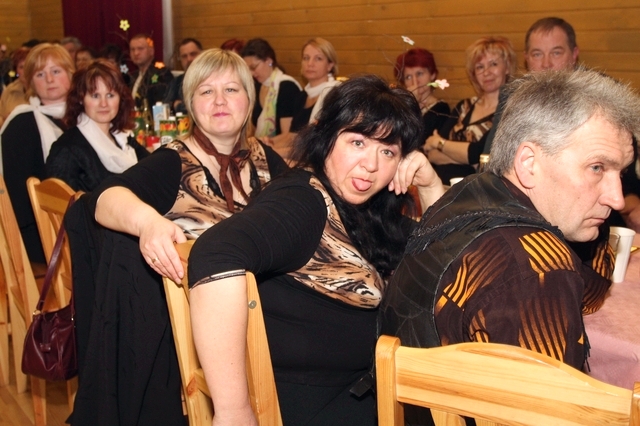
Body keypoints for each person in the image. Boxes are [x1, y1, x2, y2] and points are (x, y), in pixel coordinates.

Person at [381, 68, 640, 425]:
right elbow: (552, 418)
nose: (617, 198)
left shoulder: (470, 191)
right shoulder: (535, 269)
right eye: (597, 167)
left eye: (620, 174)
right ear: (529, 163)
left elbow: (590, 292)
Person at [188, 75, 446, 426]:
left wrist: (429, 184)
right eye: (357, 142)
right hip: (313, 407)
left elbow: (445, 259)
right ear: (326, 137)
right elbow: (214, 254)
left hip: (358, 393)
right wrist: (233, 412)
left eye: (388, 152)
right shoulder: (305, 202)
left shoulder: (366, 210)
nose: (371, 165)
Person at [68, 48, 289, 425]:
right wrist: (147, 222)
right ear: (190, 104)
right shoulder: (174, 160)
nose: (219, 101)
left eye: (231, 89)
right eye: (206, 91)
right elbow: (102, 200)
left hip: (272, 315)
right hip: (219, 333)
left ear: (249, 100)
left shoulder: (266, 159)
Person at [0, 43, 74, 263]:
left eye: (56, 71)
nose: (49, 79)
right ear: (30, 82)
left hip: (76, 221)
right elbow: (18, 197)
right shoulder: (22, 124)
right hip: (41, 234)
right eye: (40, 74)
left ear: (71, 74)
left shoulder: (85, 117)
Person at [424, 36, 516, 184]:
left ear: (507, 68)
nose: (486, 72)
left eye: (493, 64)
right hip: (441, 186)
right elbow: (432, 154)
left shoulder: (509, 112)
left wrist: (440, 143)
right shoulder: (464, 106)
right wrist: (468, 160)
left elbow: (479, 154)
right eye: (480, 67)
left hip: (475, 190)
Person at [46, 59, 148, 192]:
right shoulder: (66, 148)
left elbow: (153, 167)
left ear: (120, 98)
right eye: (95, 96)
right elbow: (58, 201)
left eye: (110, 95)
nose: (103, 104)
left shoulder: (122, 138)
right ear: (81, 99)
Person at [483, 17, 579, 154]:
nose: (546, 64)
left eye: (556, 53)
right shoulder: (511, 95)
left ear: (574, 54)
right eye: (537, 54)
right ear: (527, 58)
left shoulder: (595, 95)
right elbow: (490, 154)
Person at [267, 37, 341, 159]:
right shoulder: (302, 96)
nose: (310, 63)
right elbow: (292, 136)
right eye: (306, 58)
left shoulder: (335, 95)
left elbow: (314, 146)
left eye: (318, 58)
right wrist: (267, 144)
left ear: (330, 65)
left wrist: (272, 153)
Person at [241, 38, 302, 139]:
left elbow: (288, 136)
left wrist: (259, 143)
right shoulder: (257, 86)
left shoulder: (287, 87)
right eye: (248, 69)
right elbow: (252, 128)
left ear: (269, 61)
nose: (251, 73)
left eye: (254, 67)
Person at [394, 48, 450, 144]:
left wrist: (413, 107)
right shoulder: (400, 108)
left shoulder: (441, 110)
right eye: (408, 77)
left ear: (432, 75)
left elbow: (416, 141)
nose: (415, 81)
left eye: (419, 74)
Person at [128, 34, 173, 109]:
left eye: (140, 49)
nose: (136, 53)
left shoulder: (161, 74)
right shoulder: (133, 76)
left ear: (151, 51)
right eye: (132, 49)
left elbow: (161, 104)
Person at [164, 37, 203, 114]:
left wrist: (179, 106)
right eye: (184, 56)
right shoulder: (176, 81)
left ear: (202, 54)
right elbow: (166, 106)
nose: (189, 59)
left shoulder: (212, 78)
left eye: (193, 54)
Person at [0, 47, 30, 126]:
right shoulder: (10, 90)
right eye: (21, 67)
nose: (26, 71)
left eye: (28, 66)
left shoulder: (44, 91)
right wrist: (5, 120)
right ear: (16, 70)